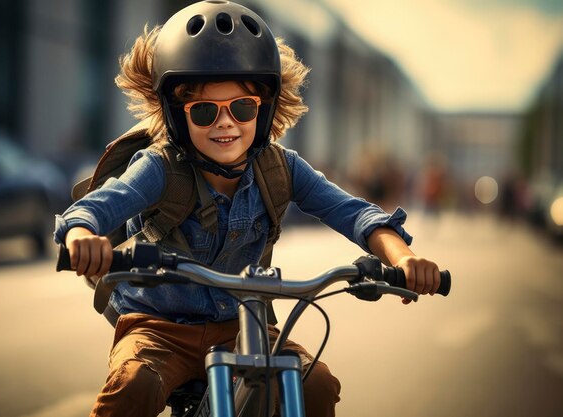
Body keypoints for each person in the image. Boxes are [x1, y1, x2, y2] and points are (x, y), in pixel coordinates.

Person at [53, 2, 441, 416]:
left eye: (242, 108)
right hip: (158, 330)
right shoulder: (159, 168)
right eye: (204, 111)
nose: (225, 123)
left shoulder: (280, 169)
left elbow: (354, 213)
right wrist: (81, 236)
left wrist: (405, 258)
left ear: (265, 108)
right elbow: (95, 208)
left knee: (317, 385)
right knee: (134, 384)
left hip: (244, 327)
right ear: (177, 116)